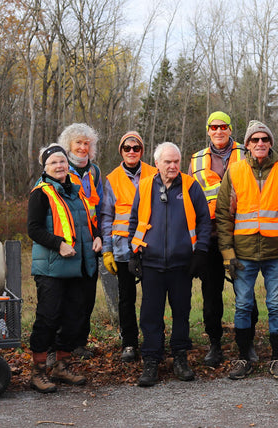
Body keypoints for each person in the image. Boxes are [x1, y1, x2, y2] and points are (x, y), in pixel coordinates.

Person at [216, 120, 278, 380]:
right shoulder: (235, 171)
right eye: (254, 140)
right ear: (247, 144)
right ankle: (244, 358)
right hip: (242, 254)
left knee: (276, 306)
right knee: (243, 306)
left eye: (264, 140)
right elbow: (223, 215)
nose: (260, 144)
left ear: (270, 143)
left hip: (276, 254)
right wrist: (227, 254)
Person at [128, 142, 212, 387]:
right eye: (168, 162)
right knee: (150, 315)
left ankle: (180, 358)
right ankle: (152, 360)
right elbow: (134, 222)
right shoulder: (144, 186)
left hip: (182, 264)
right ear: (157, 163)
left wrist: (201, 253)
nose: (173, 165)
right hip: (151, 264)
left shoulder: (191, 186)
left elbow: (205, 222)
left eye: (176, 161)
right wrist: (133, 254)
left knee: (181, 314)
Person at [27, 144, 102, 393]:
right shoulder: (41, 193)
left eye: (62, 161)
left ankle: (62, 367)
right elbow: (34, 229)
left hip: (79, 267)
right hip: (51, 269)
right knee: (48, 319)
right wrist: (58, 244)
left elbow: (88, 222)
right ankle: (37, 372)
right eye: (53, 163)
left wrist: (99, 236)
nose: (59, 166)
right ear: (46, 168)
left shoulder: (77, 191)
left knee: (74, 318)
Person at [188, 111, 259, 367]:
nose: (219, 131)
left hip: (241, 234)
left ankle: (247, 343)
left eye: (223, 126)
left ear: (231, 129)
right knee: (211, 295)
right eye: (214, 127)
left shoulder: (248, 152)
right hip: (210, 237)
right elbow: (189, 200)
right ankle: (214, 345)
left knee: (245, 292)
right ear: (208, 130)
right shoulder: (195, 160)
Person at [98, 131, 158, 363]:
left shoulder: (155, 173)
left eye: (136, 148)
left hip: (151, 248)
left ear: (142, 151)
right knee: (126, 299)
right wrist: (107, 250)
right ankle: (130, 343)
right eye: (127, 148)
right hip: (123, 250)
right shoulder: (112, 178)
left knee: (153, 298)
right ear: (121, 151)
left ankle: (154, 340)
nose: (131, 151)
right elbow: (106, 217)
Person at [58, 123, 112, 359]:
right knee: (64, 297)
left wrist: (100, 235)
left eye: (86, 143)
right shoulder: (59, 168)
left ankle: (79, 343)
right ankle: (58, 347)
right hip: (67, 244)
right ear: (68, 145)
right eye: (78, 142)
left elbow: (100, 208)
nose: (82, 147)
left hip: (91, 243)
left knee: (86, 298)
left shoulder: (95, 172)